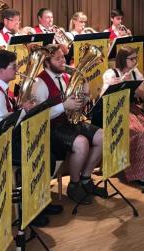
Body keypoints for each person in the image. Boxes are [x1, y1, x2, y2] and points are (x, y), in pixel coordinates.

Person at [0, 50, 64, 225]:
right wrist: (24, 112)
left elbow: (6, 120)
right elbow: (3, 129)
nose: (17, 70)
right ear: (1, 70)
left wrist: (22, 109)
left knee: (48, 149)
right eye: (13, 67)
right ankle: (30, 208)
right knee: (42, 156)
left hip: (2, 141)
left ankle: (38, 200)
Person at [30, 44, 106, 204]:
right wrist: (63, 106)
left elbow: (77, 105)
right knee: (81, 143)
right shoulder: (39, 84)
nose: (62, 61)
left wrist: (85, 96)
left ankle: (86, 178)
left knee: (102, 136)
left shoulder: (66, 78)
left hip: (69, 122)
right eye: (57, 59)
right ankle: (74, 184)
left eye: (63, 57)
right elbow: (37, 116)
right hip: (50, 127)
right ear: (47, 63)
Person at [101, 46, 144, 187]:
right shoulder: (111, 73)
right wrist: (119, 83)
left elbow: (142, 95)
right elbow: (103, 97)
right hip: (115, 111)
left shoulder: (136, 73)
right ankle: (139, 174)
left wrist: (133, 84)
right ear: (123, 60)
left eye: (136, 58)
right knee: (138, 132)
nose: (135, 61)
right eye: (132, 59)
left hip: (132, 108)